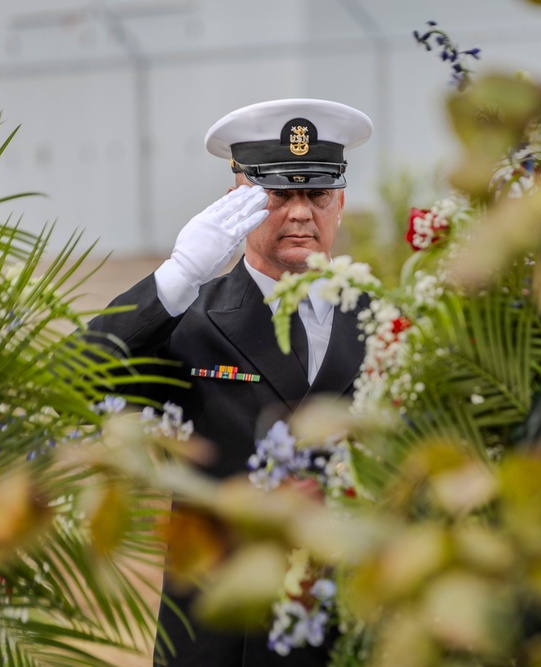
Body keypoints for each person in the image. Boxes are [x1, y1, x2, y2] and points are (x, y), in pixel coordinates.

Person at [83, 98, 373, 666]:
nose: (299, 213)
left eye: (315, 193)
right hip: (221, 638)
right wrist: (175, 279)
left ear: (339, 201)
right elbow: (77, 381)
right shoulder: (187, 319)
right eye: (278, 194)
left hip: (349, 633)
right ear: (235, 200)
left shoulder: (382, 322)